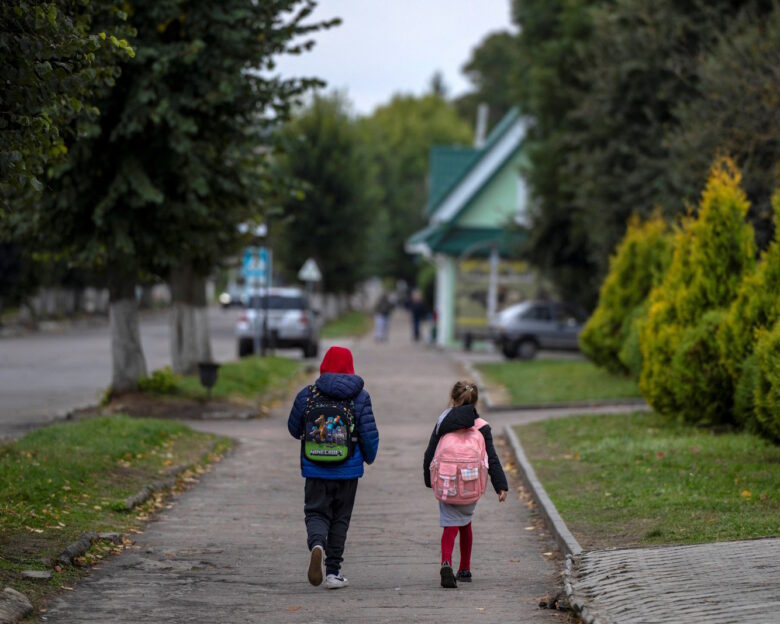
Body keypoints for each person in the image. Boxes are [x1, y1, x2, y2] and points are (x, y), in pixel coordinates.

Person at [287, 346, 379, 589]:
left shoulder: (308, 395)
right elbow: (369, 434)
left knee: (316, 512)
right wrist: (368, 457)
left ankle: (317, 544)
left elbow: (293, 428)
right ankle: (333, 573)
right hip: (348, 470)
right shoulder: (360, 397)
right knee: (340, 518)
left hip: (315, 467)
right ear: (350, 366)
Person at [423, 381, 508, 588]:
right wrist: (500, 485)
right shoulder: (482, 427)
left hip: (446, 482)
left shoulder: (442, 422)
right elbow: (492, 458)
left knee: (450, 524)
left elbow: (430, 452)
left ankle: (446, 563)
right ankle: (465, 568)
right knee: (465, 522)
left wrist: (428, 479)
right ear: (475, 401)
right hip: (470, 484)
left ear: (453, 398)